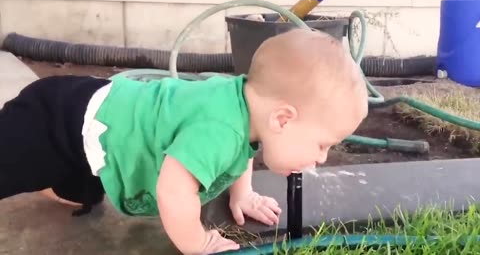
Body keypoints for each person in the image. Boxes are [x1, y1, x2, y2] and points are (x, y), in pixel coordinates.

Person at [0, 28, 368, 254]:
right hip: (57, 118)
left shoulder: (249, 107)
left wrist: (243, 194)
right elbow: (173, 191)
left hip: (96, 125)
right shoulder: (220, 130)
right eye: (322, 144)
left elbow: (246, 148)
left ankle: (55, 179)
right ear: (283, 119)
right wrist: (196, 241)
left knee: (83, 192)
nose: (322, 157)